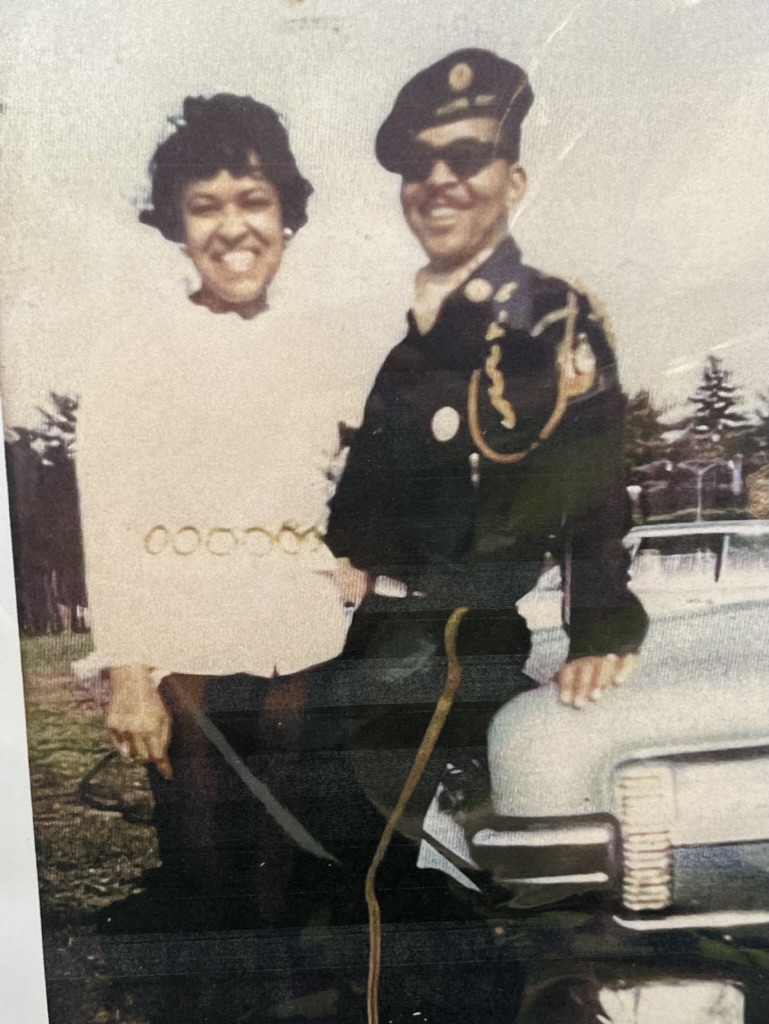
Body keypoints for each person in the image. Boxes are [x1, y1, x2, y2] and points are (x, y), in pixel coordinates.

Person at [326, 46, 649, 868]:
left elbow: (592, 491)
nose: (437, 182)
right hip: (377, 640)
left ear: (514, 181)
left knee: (387, 877)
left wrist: (598, 631)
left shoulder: (549, 320)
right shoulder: (413, 340)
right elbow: (363, 503)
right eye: (417, 165)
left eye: (466, 158)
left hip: (452, 648)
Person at [77, 94, 375, 945]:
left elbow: (373, 482)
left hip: (307, 645)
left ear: (286, 214)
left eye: (254, 201)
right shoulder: (132, 350)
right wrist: (130, 675)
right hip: (189, 655)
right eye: (205, 207)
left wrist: (362, 561)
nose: (233, 228)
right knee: (209, 883)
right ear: (176, 223)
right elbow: (110, 520)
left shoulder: (328, 347)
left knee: (302, 880)